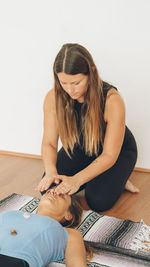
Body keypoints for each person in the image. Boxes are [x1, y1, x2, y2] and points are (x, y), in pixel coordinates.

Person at [36, 43, 139, 212]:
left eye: (76, 83)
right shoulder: (53, 97)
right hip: (81, 147)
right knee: (49, 189)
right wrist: (50, 172)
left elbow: (109, 155)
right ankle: (100, 178)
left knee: (98, 201)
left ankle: (120, 178)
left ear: (91, 72)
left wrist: (77, 180)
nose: (70, 90)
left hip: (117, 152)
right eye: (64, 83)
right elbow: (49, 143)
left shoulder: (112, 100)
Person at [0, 192, 90, 267]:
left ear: (68, 215)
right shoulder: (11, 213)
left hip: (15, 260)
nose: (53, 192)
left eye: (61, 195)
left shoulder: (68, 233)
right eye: (50, 191)